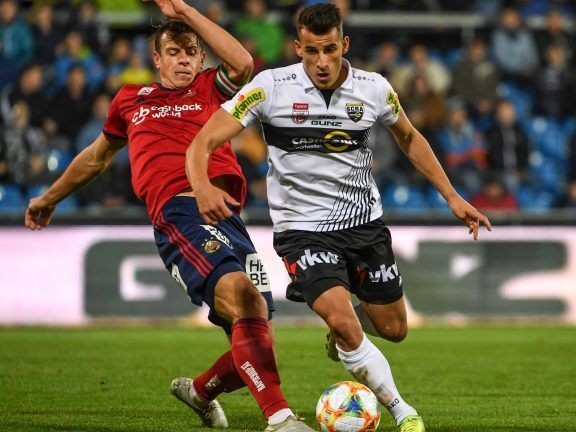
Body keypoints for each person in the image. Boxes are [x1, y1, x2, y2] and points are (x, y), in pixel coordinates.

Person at [187, 4, 492, 432]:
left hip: (364, 225)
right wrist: (202, 186)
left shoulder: (374, 88)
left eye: (330, 49)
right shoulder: (270, 87)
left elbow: (409, 137)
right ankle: (403, 411)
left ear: (344, 44)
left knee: (394, 328)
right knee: (347, 322)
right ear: (298, 48)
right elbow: (202, 141)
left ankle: (341, 334)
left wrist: (452, 197)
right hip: (302, 230)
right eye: (311, 51)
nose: (322, 61)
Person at [24, 1, 314, 431]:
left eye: (190, 52)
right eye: (173, 52)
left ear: (201, 59)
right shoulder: (130, 100)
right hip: (180, 213)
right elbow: (97, 158)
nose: (182, 60)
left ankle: (198, 391)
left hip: (228, 217)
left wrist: (186, 12)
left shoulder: (210, 88)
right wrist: (50, 198)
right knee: (245, 300)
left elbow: (241, 63)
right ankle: (281, 419)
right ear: (156, 59)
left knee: (258, 341)